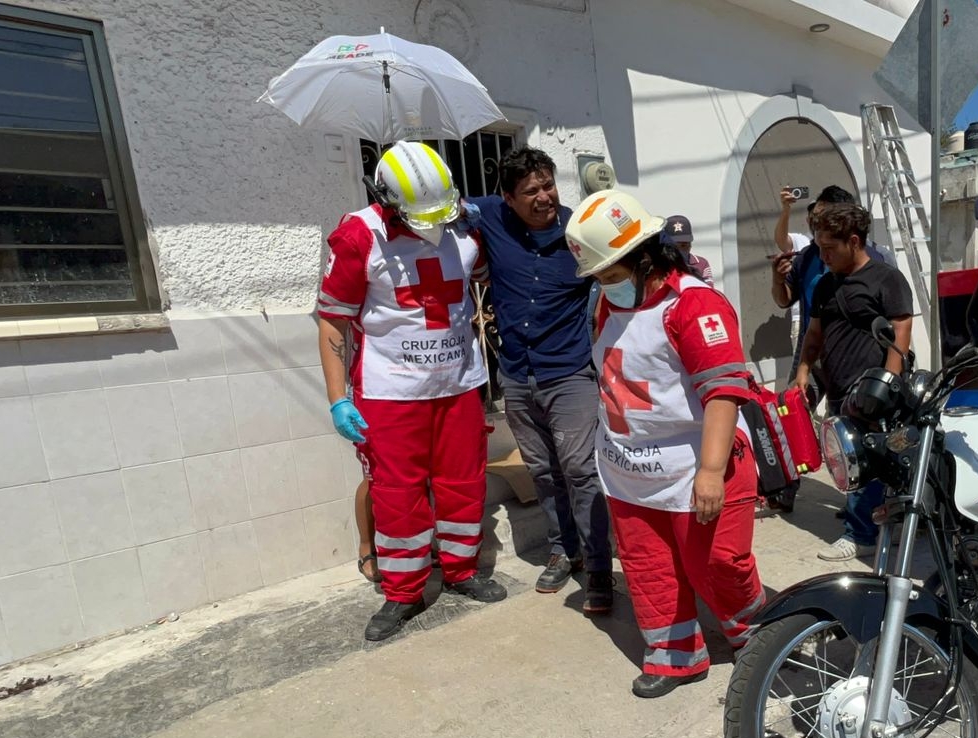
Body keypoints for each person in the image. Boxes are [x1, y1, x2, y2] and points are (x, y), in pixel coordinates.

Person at [565, 189, 767, 699]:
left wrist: (710, 471)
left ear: (642, 257)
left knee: (720, 563)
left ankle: (759, 636)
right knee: (648, 567)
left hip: (699, 465)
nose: (603, 285)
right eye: (598, 277)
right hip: (629, 471)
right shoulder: (606, 305)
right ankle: (674, 656)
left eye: (609, 273)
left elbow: (724, 390)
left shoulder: (694, 303)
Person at [317, 141, 509, 642]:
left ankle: (462, 570)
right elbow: (334, 321)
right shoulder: (360, 236)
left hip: (458, 385)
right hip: (390, 393)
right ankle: (403, 591)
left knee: (464, 482)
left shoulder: (465, 225)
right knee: (398, 495)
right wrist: (339, 397)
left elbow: (489, 281)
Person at [468, 148, 615, 614]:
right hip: (515, 376)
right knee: (544, 474)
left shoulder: (579, 233)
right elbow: (445, 208)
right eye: (530, 191)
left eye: (548, 184)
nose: (544, 196)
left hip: (569, 374)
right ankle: (562, 549)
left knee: (579, 471)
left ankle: (597, 566)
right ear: (508, 198)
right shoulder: (491, 217)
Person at [793, 203, 914, 562]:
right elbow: (814, 334)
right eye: (819, 248)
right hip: (838, 389)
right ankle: (874, 524)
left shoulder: (885, 278)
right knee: (850, 462)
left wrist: (888, 383)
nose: (823, 256)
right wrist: (803, 369)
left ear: (854, 241)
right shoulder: (824, 284)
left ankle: (861, 535)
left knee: (868, 461)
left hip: (873, 391)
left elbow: (901, 331)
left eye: (830, 248)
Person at [767, 185, 896, 513]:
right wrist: (776, 278)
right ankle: (786, 487)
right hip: (812, 352)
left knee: (854, 433)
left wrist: (889, 374)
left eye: (822, 216)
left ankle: (865, 508)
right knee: (791, 416)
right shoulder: (809, 256)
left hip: (856, 359)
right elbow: (784, 298)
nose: (814, 222)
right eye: (813, 218)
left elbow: (895, 325)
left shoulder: (876, 265)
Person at [661, 215, 714, 286]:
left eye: (683, 245)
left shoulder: (701, 263)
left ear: (690, 245)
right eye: (674, 246)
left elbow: (709, 291)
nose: (679, 251)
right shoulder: (658, 266)